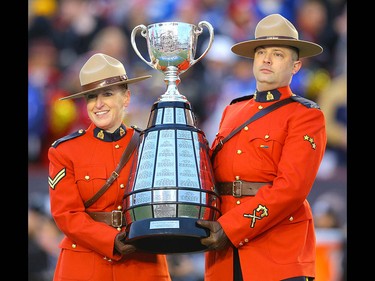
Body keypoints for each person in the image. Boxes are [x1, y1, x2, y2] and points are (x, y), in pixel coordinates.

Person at [197, 14, 327, 281]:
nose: (266, 59)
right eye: (261, 52)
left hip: (276, 251)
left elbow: (291, 189)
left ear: (296, 66)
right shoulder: (232, 109)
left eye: (278, 54)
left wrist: (232, 227)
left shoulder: (305, 115)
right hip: (224, 254)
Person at [47, 53, 171, 281]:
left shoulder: (149, 143)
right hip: (85, 262)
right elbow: (67, 215)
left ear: (126, 98)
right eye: (92, 97)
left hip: (142, 259)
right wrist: (110, 240)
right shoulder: (64, 151)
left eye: (107, 94)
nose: (99, 104)